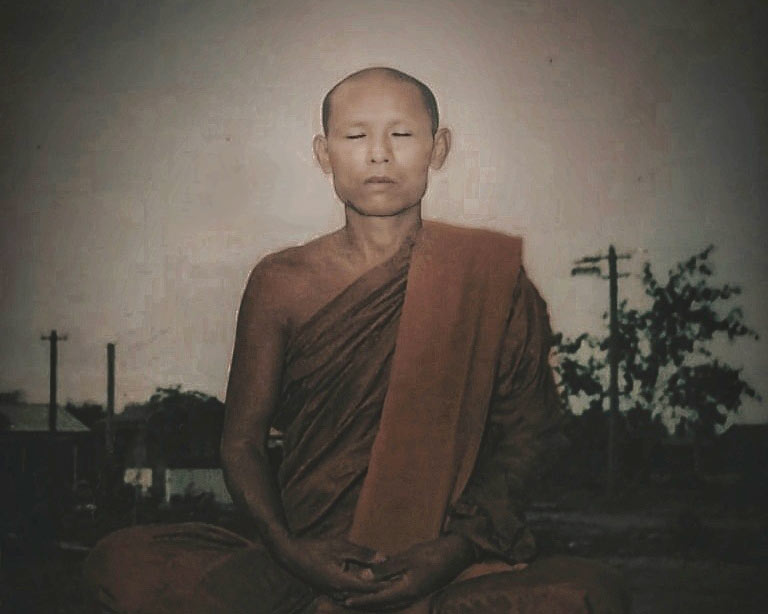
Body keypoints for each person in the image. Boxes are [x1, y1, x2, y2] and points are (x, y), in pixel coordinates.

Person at [83, 67, 629, 614]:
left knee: (584, 596)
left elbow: (529, 437)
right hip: (306, 551)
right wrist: (290, 549)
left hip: (448, 555)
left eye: (402, 134)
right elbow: (241, 443)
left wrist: (452, 549)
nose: (379, 155)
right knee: (124, 563)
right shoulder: (282, 282)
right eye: (355, 135)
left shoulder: (488, 277)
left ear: (438, 149)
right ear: (324, 154)